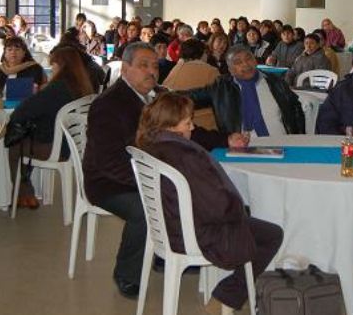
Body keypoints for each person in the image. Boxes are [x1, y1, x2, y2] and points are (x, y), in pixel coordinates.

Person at [82, 42, 241, 298]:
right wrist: (151, 184)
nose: (151, 71)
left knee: (192, 191)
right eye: (143, 65)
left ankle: (163, 254)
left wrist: (224, 140)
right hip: (109, 183)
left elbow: (186, 130)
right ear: (125, 69)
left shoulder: (157, 95)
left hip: (150, 173)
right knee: (147, 207)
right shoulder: (108, 105)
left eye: (155, 65)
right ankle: (126, 273)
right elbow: (106, 162)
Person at [136, 93, 283, 314]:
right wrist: (239, 212)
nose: (192, 128)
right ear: (172, 126)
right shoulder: (184, 155)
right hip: (197, 233)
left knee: (253, 224)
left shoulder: (152, 145)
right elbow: (217, 205)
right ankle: (228, 294)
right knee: (272, 234)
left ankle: (228, 293)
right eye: (188, 123)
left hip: (168, 226)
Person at [8, 47, 94, 209]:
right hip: (74, 146)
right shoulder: (82, 87)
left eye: (52, 65)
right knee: (29, 140)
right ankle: (27, 193)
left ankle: (23, 194)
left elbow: (21, 113)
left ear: (60, 66)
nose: (51, 70)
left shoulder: (56, 89)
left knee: (15, 145)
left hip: (55, 147)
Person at [190, 45, 305, 136]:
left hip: (281, 141)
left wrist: (298, 136)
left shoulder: (275, 81)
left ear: (255, 60)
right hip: (242, 147)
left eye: (248, 58)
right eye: (238, 62)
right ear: (230, 70)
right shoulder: (221, 88)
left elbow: (295, 106)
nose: (246, 64)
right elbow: (192, 97)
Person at [163, 38, 220, 130]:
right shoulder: (211, 71)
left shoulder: (175, 69)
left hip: (177, 124)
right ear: (202, 53)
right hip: (206, 123)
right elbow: (221, 97)